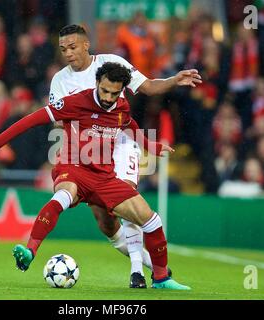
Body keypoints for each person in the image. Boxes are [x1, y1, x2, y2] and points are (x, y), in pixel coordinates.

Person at [0, 62, 191, 290]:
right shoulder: (75, 102)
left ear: (122, 90)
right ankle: (29, 251)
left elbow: (129, 124)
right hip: (74, 167)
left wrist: (149, 145)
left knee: (152, 221)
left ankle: (161, 278)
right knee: (63, 196)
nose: (107, 97)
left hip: (105, 178)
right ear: (97, 83)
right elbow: (31, 120)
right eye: (104, 90)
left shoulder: (121, 106)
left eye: (114, 93)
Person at [48, 24, 201, 288]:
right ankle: (153, 266)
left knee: (125, 198)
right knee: (105, 222)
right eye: (63, 49)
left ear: (86, 45)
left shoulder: (112, 63)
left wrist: (174, 80)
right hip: (90, 151)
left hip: (121, 141)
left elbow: (149, 86)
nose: (68, 53)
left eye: (72, 47)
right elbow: (56, 121)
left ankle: (137, 274)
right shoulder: (60, 80)